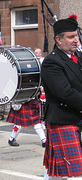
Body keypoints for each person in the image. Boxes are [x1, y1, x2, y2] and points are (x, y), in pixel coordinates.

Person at [41, 14, 82, 179]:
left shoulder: (78, 57)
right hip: (63, 120)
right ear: (59, 39)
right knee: (75, 172)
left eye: (77, 35)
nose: (76, 40)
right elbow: (65, 93)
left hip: (77, 117)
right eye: (71, 37)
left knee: (57, 171)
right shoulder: (52, 62)